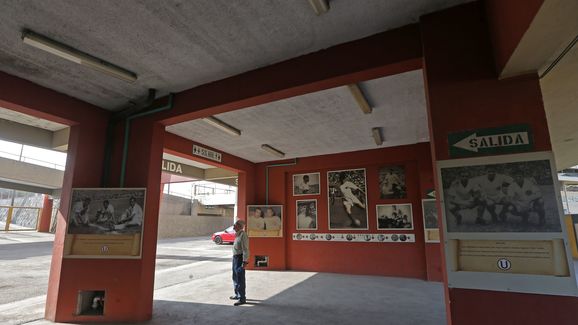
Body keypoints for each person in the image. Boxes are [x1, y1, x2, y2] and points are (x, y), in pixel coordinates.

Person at [230, 219, 249, 306]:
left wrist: (245, 261)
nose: (233, 227)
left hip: (240, 258)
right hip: (235, 258)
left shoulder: (243, 235)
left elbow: (245, 249)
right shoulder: (237, 234)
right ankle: (237, 295)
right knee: (235, 277)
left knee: (240, 278)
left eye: (235, 225)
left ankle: (242, 298)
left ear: (239, 226)